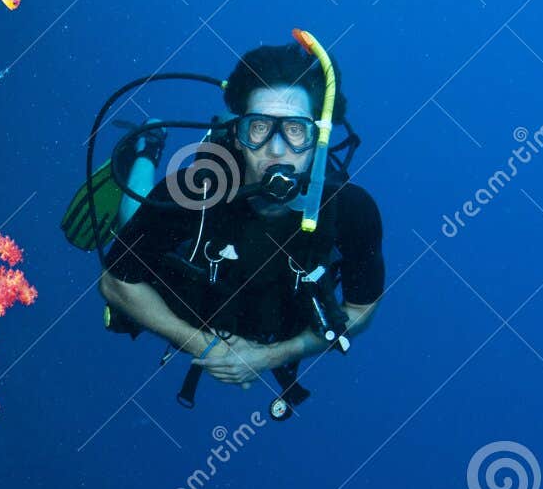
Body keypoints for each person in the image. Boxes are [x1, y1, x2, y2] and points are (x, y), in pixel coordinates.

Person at [96, 42, 384, 406]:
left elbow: (362, 309)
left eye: (295, 130)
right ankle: (147, 149)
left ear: (318, 139)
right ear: (237, 133)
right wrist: (206, 345)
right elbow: (115, 281)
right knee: (132, 216)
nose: (276, 150)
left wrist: (271, 356)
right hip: (189, 303)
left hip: (274, 324)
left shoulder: (352, 210)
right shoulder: (192, 190)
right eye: (259, 126)